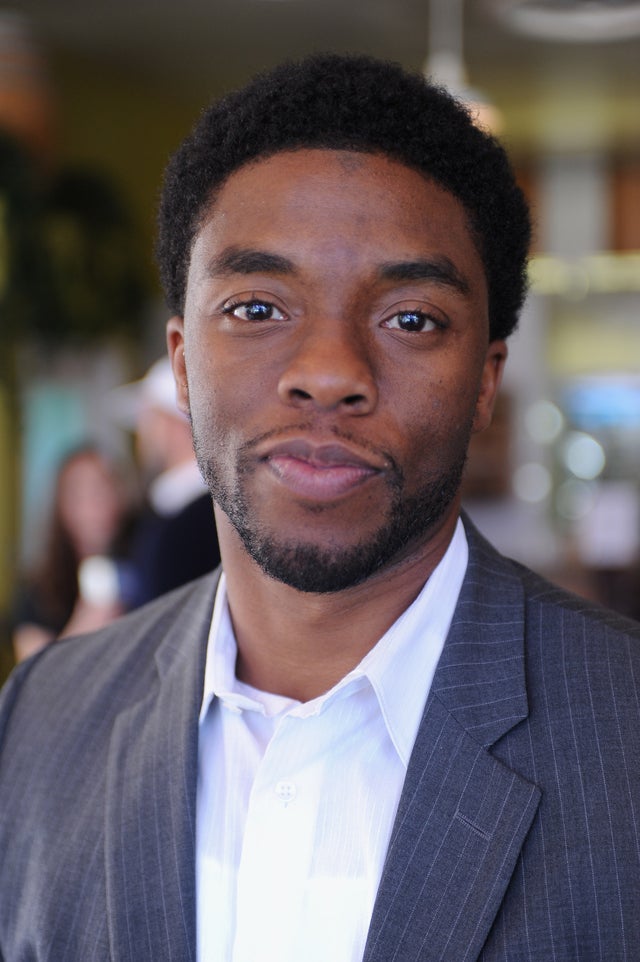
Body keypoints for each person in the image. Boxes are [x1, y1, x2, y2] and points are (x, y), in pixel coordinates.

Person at [1, 53, 639, 962]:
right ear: (182, 364)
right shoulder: (44, 718)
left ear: (485, 381)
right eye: (258, 307)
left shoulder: (623, 737)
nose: (330, 372)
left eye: (411, 318)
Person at [110, 357, 221, 607]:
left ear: (173, 424)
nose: (141, 434)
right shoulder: (210, 508)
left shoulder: (192, 518)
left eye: (148, 419)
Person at [10, 444, 133, 662]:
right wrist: (86, 623)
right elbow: (34, 681)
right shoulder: (37, 593)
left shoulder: (145, 561)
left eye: (103, 487)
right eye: (81, 492)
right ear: (62, 505)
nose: (96, 503)